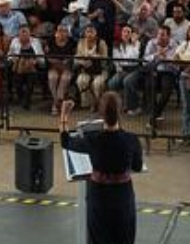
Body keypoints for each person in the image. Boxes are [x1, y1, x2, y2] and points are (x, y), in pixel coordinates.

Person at [59, 93, 143, 244]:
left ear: (101, 114)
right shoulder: (131, 140)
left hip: (98, 196)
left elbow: (66, 141)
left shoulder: (93, 140)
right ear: (120, 112)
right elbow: (137, 166)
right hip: (123, 197)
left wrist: (64, 115)